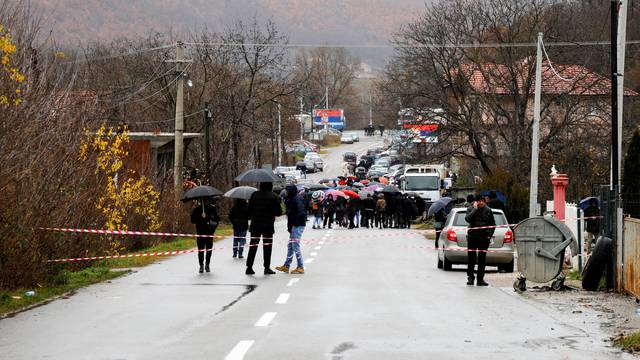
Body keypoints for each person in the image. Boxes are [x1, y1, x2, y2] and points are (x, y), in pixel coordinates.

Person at [246, 182, 283, 275]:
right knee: (267, 247)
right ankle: (266, 267)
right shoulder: (273, 196)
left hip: (255, 225)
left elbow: (249, 211)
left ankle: (249, 267)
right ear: (270, 186)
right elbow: (279, 212)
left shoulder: (254, 195)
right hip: (268, 225)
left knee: (253, 246)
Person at [465, 195, 496, 286]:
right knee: (471, 258)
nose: (481, 202)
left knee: (482, 259)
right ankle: (470, 278)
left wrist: (489, 236)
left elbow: (493, 224)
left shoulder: (488, 210)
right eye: (479, 201)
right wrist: (474, 209)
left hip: (483, 238)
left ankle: (480, 279)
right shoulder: (471, 208)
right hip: (472, 237)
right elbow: (467, 219)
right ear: (475, 202)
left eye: (483, 201)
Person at [276, 185, 307, 275]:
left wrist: (295, 224)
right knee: (290, 246)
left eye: (287, 191)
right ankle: (286, 265)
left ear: (291, 191)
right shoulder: (291, 199)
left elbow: (301, 212)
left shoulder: (296, 199)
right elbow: (290, 212)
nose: (286, 192)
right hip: (293, 225)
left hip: (297, 225)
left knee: (295, 246)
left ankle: (300, 267)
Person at [190, 198, 219, 273]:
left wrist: (213, 228)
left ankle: (207, 265)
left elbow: (217, 220)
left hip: (209, 233)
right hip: (200, 232)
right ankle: (201, 265)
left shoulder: (212, 209)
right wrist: (200, 217)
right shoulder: (197, 209)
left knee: (208, 250)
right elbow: (192, 220)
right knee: (201, 250)